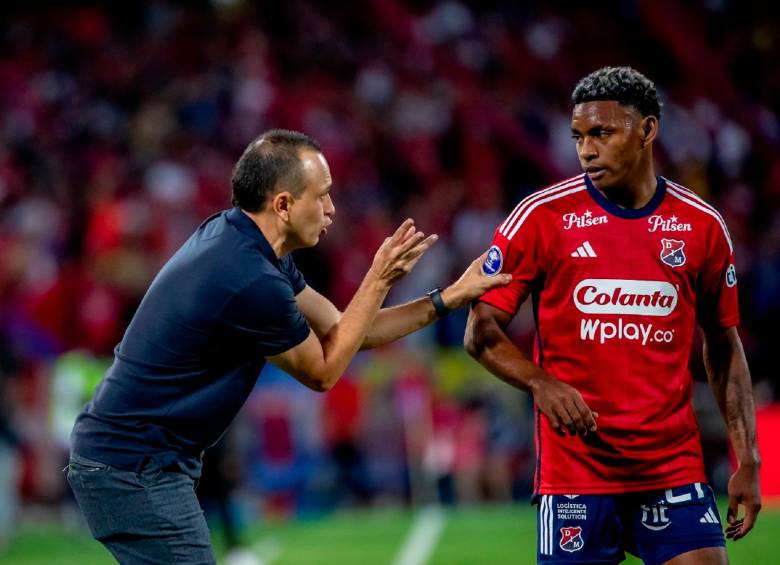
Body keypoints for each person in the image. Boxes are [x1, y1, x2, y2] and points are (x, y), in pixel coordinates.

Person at [67, 129, 511, 564]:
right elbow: (323, 372)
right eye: (322, 195)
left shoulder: (247, 246)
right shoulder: (249, 278)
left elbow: (344, 328)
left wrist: (447, 297)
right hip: (132, 469)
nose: (332, 208)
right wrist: (378, 280)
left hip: (136, 463)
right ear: (283, 204)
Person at [465, 67, 760, 565]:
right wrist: (541, 383)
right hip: (576, 471)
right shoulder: (541, 217)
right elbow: (481, 332)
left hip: (671, 466)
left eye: (602, 133)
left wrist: (748, 458)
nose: (586, 150)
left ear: (647, 130)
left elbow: (724, 345)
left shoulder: (701, 226)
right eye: (579, 136)